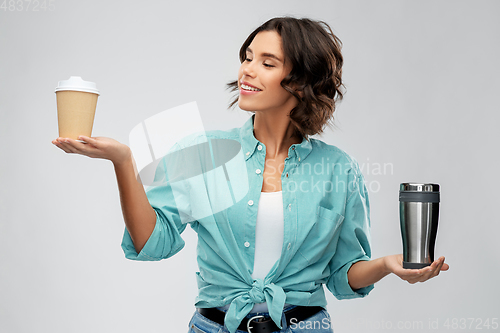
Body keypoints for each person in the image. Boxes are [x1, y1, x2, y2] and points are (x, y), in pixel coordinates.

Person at [52, 17, 449, 333]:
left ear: (301, 81)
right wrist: (123, 161)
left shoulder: (337, 169)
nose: (247, 71)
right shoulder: (205, 152)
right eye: (247, 57)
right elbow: (153, 242)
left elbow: (344, 277)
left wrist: (388, 265)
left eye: (267, 63)